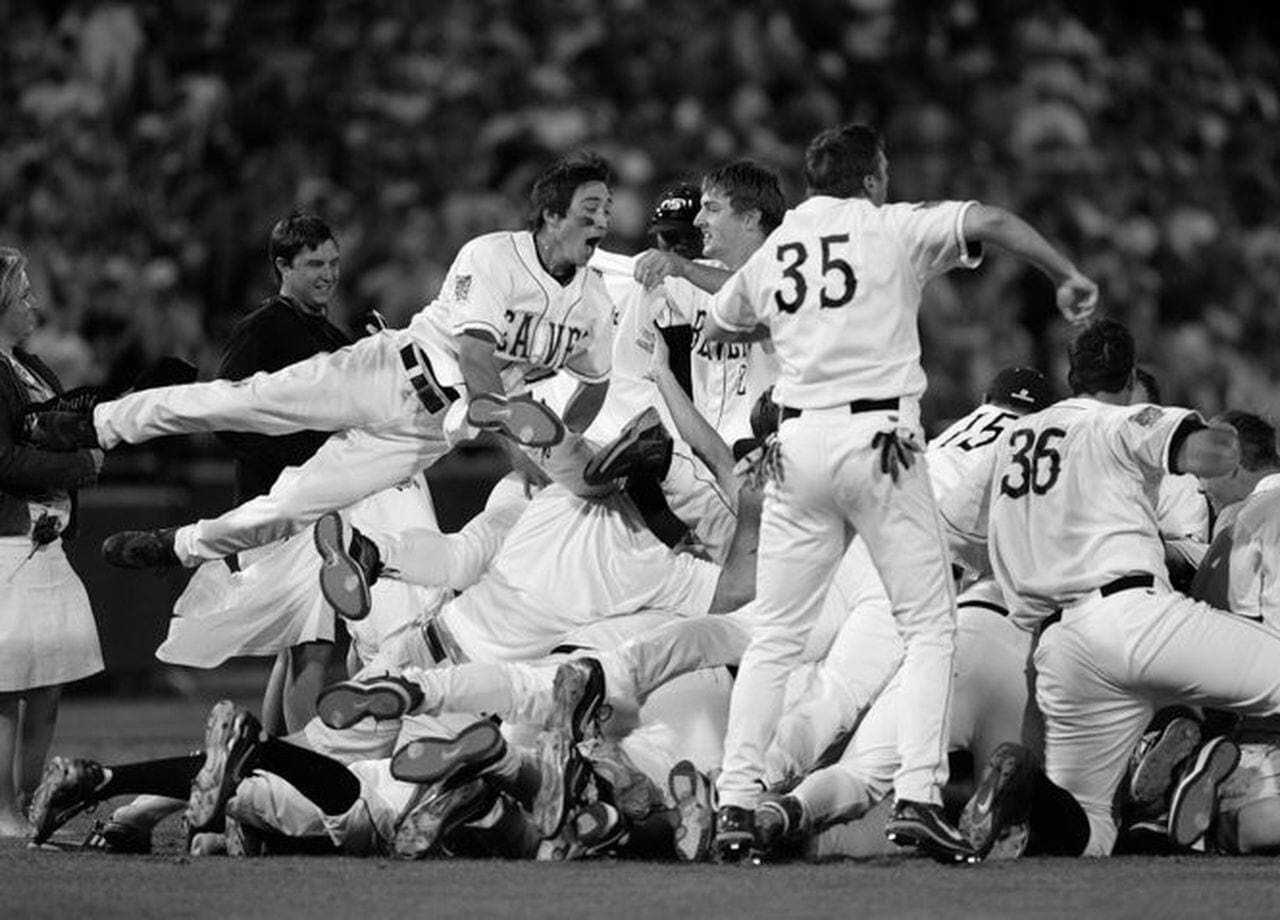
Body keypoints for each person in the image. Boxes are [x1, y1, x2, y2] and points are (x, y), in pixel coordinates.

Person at [696, 123, 1098, 862]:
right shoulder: (890, 225)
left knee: (778, 636)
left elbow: (722, 322)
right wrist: (1063, 272)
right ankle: (916, 796)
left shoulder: (778, 246)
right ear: (873, 175)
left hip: (798, 442)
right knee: (927, 628)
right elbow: (991, 222)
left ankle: (734, 803)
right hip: (878, 437)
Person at [23, 154, 617, 572]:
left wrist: (564, 440)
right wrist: (500, 414)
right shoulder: (493, 254)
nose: (603, 219)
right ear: (550, 215)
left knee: (295, 506)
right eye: (590, 207)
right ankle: (98, 423)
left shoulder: (594, 302)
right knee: (241, 399)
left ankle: (178, 546)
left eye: (607, 207)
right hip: (388, 374)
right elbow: (476, 356)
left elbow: (595, 381)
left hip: (425, 434)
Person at [970, 318, 1280, 857]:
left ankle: (1029, 789)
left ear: (1069, 374)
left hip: (1061, 645)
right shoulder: (1119, 420)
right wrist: (1224, 436)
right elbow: (1214, 455)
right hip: (1133, 615)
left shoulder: (1013, 439)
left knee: (1089, 828)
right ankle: (1185, 762)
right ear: (1130, 374)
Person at [0, 247, 104, 836]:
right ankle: (2, 811)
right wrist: (79, 466)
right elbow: (4, 459)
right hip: (8, 540)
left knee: (48, 680)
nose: (35, 303)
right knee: (6, 684)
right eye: (24, 295)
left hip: (48, 541)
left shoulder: (35, 369)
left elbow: (62, 430)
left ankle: (29, 801)